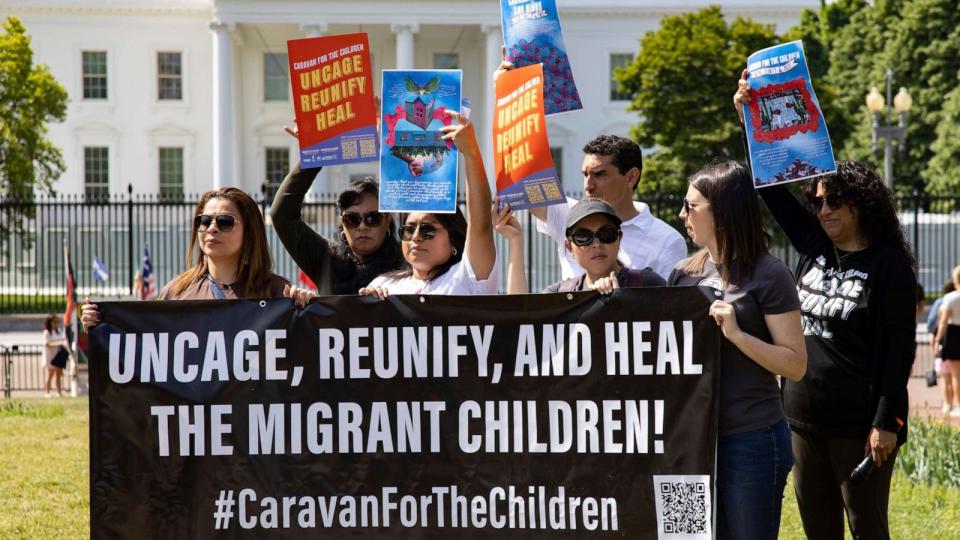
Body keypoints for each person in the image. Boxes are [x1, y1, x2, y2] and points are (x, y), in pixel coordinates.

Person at [738, 66, 916, 540]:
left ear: (863, 203)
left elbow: (899, 352)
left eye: (836, 200)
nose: (824, 210)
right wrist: (750, 119)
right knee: (819, 530)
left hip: (858, 426)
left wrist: (887, 422)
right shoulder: (815, 245)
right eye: (817, 201)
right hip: (801, 418)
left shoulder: (887, 265)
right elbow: (770, 189)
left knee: (867, 527)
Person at [667, 160, 806, 540]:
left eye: (690, 205)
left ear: (722, 210)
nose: (682, 214)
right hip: (690, 441)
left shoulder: (769, 274)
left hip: (750, 441)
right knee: (687, 536)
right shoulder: (682, 273)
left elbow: (795, 365)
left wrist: (739, 336)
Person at [81, 188, 306, 329]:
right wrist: (101, 325)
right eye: (204, 221)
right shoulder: (176, 293)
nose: (212, 229)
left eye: (225, 222)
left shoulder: (279, 293)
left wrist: (306, 311)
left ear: (250, 232)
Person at [359, 111, 497, 297]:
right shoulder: (383, 285)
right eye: (408, 230)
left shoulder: (467, 277)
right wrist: (368, 308)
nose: (416, 237)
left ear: (453, 241)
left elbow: (481, 224)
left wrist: (471, 153)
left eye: (427, 230)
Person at [270, 123, 404, 295]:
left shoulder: (409, 260)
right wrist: (313, 155)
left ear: (388, 220)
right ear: (342, 221)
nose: (362, 227)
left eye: (373, 218)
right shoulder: (327, 258)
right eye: (352, 219)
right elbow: (282, 215)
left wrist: (392, 144)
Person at [496, 197, 665, 294]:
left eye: (606, 234)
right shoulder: (562, 293)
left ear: (619, 238)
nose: (597, 244)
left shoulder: (647, 283)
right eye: (583, 237)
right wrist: (515, 241)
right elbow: (521, 319)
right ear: (569, 247)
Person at [933, 266, 960, 417]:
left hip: (955, 334)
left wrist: (938, 339)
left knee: (956, 374)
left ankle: (958, 406)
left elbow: (943, 321)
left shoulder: (951, 298)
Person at [928, 279, 956, 414]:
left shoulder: (941, 302)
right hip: (955, 346)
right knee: (956, 376)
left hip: (943, 349)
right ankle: (954, 403)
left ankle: (947, 404)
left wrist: (934, 345)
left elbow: (932, 324)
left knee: (945, 378)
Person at [42, 315, 68, 398]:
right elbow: (47, 344)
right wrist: (59, 343)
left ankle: (58, 392)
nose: (55, 323)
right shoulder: (46, 332)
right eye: (54, 322)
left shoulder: (58, 331)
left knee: (58, 375)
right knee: (50, 374)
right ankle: (47, 392)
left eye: (56, 322)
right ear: (49, 322)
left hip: (58, 356)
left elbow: (63, 339)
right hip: (50, 356)